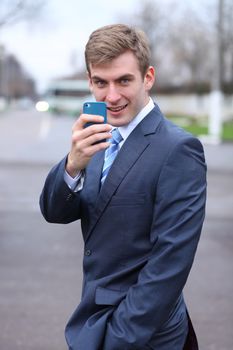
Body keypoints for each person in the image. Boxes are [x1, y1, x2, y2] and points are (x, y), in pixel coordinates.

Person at [40, 24, 207, 350]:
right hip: (94, 320)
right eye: (101, 83)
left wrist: (118, 338)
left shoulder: (179, 149)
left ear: (148, 77)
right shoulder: (97, 139)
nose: (111, 96)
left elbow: (169, 265)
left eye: (124, 80)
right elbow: (53, 212)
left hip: (144, 333)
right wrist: (73, 163)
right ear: (89, 81)